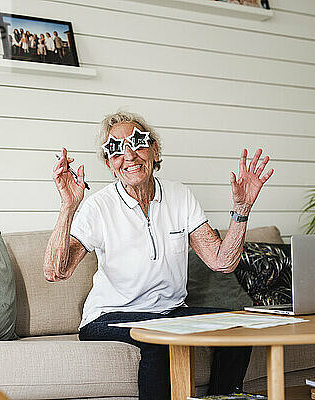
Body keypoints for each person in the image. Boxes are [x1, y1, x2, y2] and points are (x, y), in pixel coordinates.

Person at [43, 111, 274, 400]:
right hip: (109, 316)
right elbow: (56, 272)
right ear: (108, 162)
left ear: (154, 149)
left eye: (137, 142)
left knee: (237, 327)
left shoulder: (180, 196)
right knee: (161, 338)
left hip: (169, 312)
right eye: (116, 148)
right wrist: (68, 205)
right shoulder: (97, 207)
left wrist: (242, 209)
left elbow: (222, 261)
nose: (129, 155)